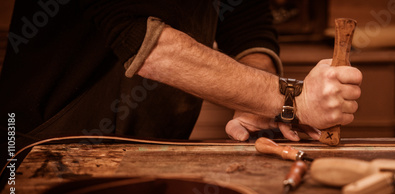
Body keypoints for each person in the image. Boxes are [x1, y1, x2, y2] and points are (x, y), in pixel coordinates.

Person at [0, 0, 362, 147]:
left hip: (151, 144)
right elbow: (141, 39)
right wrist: (289, 98)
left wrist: (256, 99)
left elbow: (244, 18)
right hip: (38, 139)